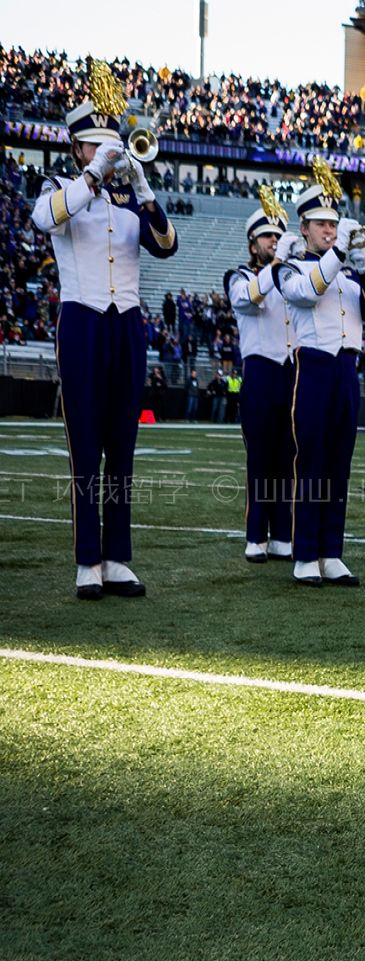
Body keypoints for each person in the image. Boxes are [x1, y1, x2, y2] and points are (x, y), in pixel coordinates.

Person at [31, 83, 179, 599]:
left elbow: (167, 246)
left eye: (109, 144)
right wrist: (93, 175)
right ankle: (87, 560)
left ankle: (117, 557)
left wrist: (144, 189)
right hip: (82, 319)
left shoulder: (129, 199)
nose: (107, 152)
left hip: (127, 324)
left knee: (122, 444)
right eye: (95, 144)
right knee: (85, 444)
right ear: (77, 148)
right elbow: (43, 218)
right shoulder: (61, 186)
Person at [277, 179, 365, 586]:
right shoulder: (292, 268)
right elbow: (307, 293)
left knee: (339, 464)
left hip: (346, 369)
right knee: (311, 462)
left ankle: (331, 551)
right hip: (313, 367)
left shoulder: (345, 272)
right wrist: (339, 253)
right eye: (320, 224)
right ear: (303, 228)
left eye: (332, 223)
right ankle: (305, 553)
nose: (328, 230)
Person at [225, 203, 294, 564]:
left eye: (279, 236)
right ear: (253, 245)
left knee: (288, 458)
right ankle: (256, 534)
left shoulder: (288, 275)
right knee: (260, 458)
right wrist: (277, 265)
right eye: (268, 236)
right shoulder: (238, 275)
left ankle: (283, 532)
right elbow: (247, 299)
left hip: (291, 371)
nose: (274, 241)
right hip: (261, 372)